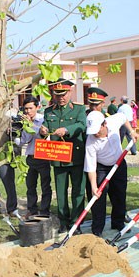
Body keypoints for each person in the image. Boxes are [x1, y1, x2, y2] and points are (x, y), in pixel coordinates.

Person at [39, 78, 87, 234]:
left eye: (63, 94)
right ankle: (63, 222)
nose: (60, 98)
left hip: (76, 157)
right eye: (57, 94)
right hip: (58, 157)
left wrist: (67, 130)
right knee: (61, 192)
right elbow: (45, 124)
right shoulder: (49, 111)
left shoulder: (78, 109)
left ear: (70, 92)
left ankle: (76, 222)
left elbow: (82, 125)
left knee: (78, 192)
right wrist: (43, 130)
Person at [84, 111, 139, 236]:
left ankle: (118, 222)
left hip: (119, 164)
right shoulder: (91, 142)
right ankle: (97, 228)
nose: (95, 134)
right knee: (98, 198)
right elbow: (91, 166)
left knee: (119, 194)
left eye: (97, 130)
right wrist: (94, 187)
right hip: (101, 168)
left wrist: (131, 131)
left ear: (104, 124)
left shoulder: (113, 122)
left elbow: (124, 117)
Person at [18, 96, 52, 218]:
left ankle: (44, 210)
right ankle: (32, 209)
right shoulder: (24, 121)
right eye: (25, 109)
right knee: (30, 186)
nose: (28, 111)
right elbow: (24, 141)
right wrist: (26, 125)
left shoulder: (43, 120)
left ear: (37, 107)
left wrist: (31, 125)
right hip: (30, 157)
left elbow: (45, 138)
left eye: (30, 108)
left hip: (43, 157)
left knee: (45, 186)